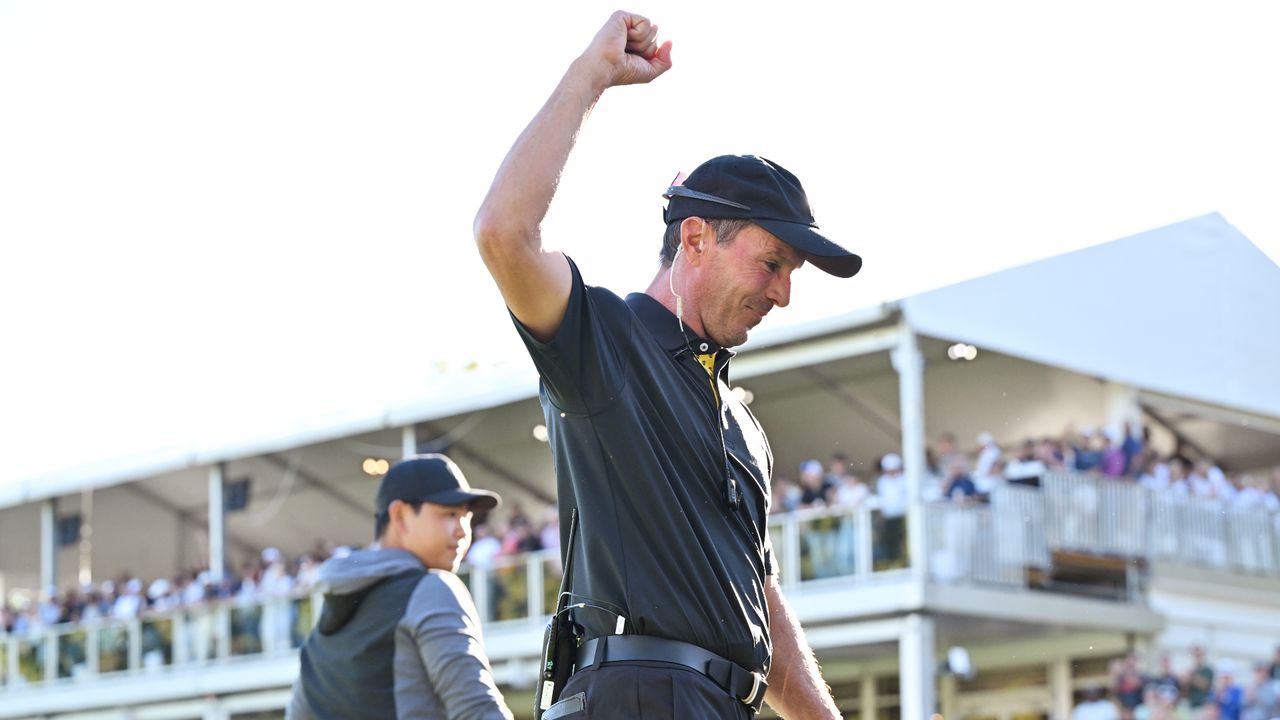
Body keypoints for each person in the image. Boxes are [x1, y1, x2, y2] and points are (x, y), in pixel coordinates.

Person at [473, 12, 859, 719]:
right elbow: (503, 233)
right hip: (638, 692)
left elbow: (756, 597)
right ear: (696, 237)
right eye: (773, 263)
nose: (784, 292)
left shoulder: (740, 422)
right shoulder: (608, 340)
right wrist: (592, 77)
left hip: (714, 702)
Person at [287, 455, 512, 720]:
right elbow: (478, 711)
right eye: (450, 514)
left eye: (467, 517)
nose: (463, 531)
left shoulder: (323, 627)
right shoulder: (431, 589)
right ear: (400, 515)